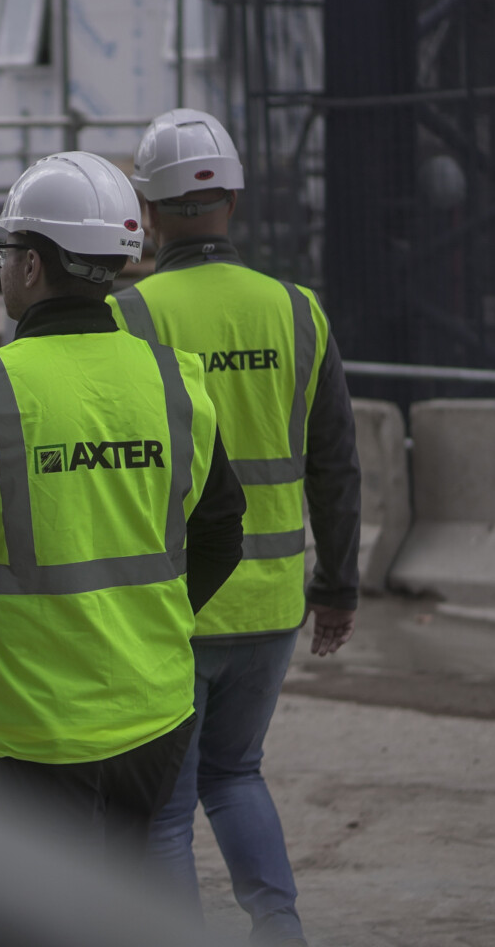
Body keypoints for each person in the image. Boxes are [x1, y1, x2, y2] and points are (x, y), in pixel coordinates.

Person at [0, 151, 246, 862]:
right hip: (156, 716)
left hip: (35, 728)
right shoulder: (173, 381)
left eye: (6, 250)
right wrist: (158, 623)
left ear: (31, 264)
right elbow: (222, 533)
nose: (2, 267)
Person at [110, 108, 361, 946]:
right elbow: (335, 464)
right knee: (238, 773)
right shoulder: (298, 312)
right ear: (237, 201)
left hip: (172, 605)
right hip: (271, 603)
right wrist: (337, 587)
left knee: (165, 812)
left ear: (146, 211)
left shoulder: (130, 317)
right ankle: (279, 927)